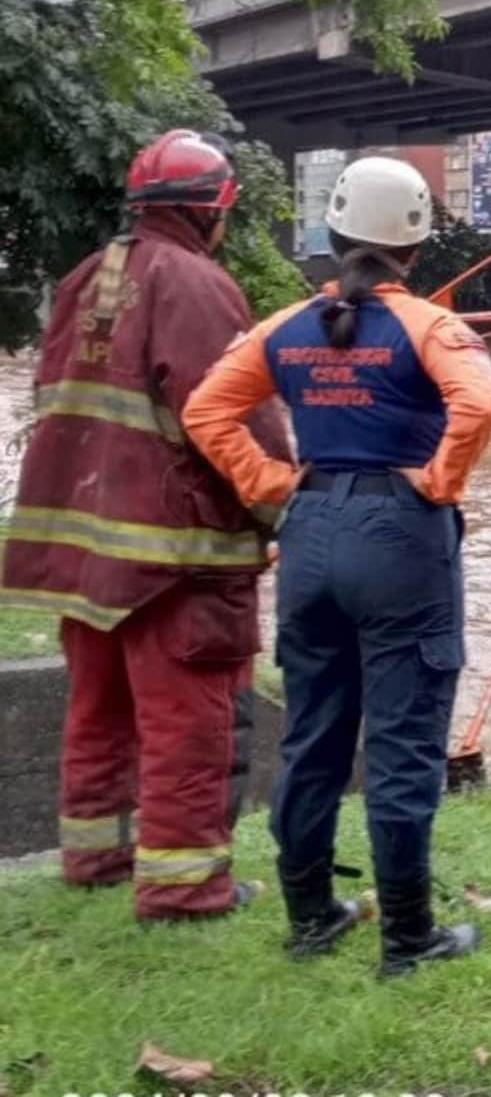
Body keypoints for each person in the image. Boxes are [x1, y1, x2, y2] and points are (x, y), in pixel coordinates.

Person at [182, 156, 491, 977]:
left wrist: (269, 483)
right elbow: (475, 401)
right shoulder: (431, 327)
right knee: (401, 742)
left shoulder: (282, 328)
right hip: (399, 534)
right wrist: (440, 481)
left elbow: (206, 408)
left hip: (311, 531)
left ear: (330, 235)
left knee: (314, 737)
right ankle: (409, 937)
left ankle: (312, 915)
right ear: (415, 246)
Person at [0, 129, 289, 920]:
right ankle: (185, 887)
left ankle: (97, 856)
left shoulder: (85, 278)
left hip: (83, 550)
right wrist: (282, 501)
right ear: (212, 212)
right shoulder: (197, 284)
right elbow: (229, 414)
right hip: (175, 555)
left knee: (99, 708)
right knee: (186, 722)